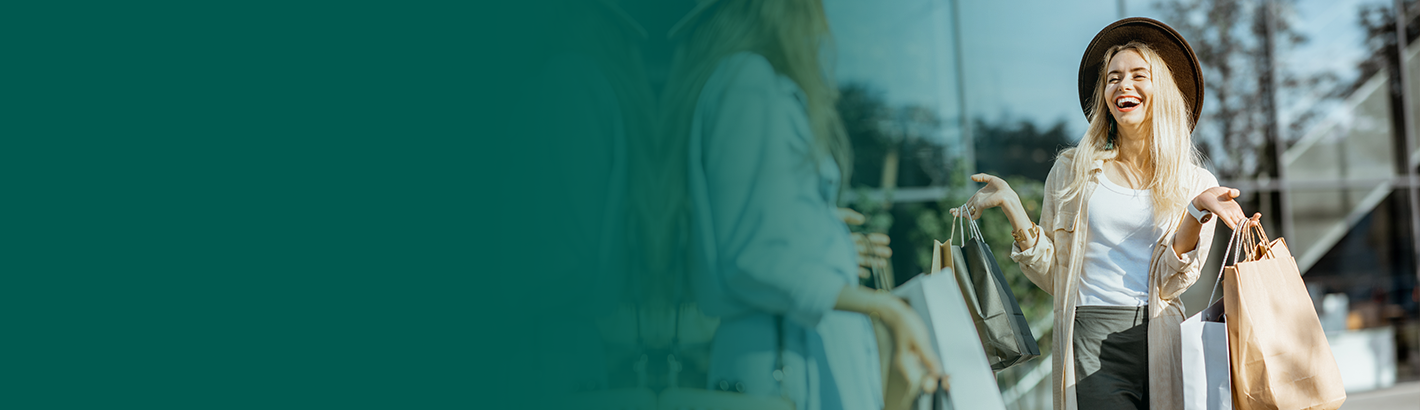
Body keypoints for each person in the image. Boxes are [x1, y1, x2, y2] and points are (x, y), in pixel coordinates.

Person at [956, 18, 1258, 410]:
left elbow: (1173, 281)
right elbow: (1054, 274)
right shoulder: (1072, 170)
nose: (1123, 85)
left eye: (1138, 75)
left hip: (1161, 334)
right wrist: (1014, 207)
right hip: (1089, 337)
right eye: (1113, 79)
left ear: (1162, 90)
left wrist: (1195, 210)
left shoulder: (1196, 183)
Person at [661, 0, 944, 408]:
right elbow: (754, 257)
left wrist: (826, 237)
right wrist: (887, 308)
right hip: (787, 369)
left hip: (793, 363)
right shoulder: (750, 82)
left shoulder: (751, 84)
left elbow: (758, 235)